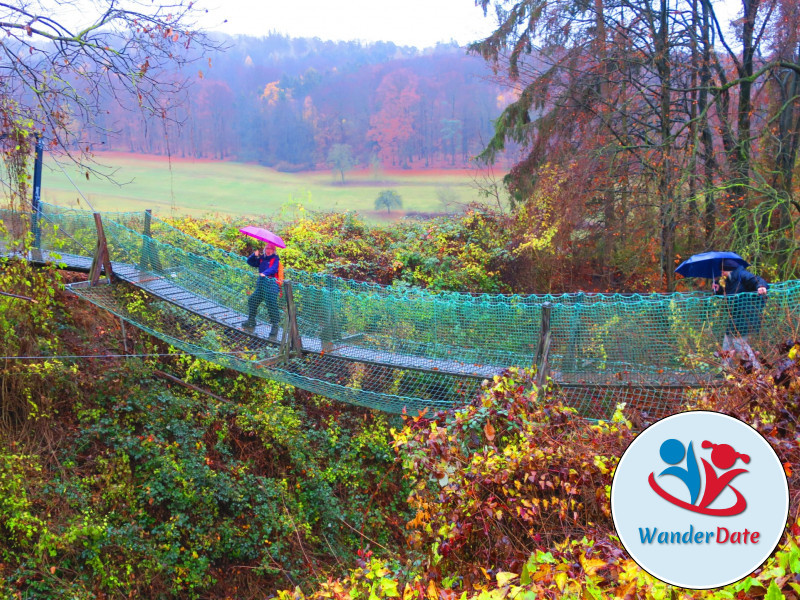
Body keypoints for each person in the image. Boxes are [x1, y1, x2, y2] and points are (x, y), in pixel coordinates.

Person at [713, 258, 768, 369]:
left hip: (747, 316)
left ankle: (757, 370)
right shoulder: (730, 280)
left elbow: (757, 279)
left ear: (728, 269)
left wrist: (761, 287)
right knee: (727, 343)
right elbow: (730, 296)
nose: (721, 273)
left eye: (722, 270)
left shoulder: (742, 274)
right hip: (735, 317)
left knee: (739, 343)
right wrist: (718, 290)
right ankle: (726, 370)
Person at [242, 242, 281, 339]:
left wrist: (265, 273)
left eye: (271, 249)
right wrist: (254, 255)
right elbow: (250, 262)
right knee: (252, 300)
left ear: (274, 250)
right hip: (261, 284)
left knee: (271, 305)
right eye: (267, 248)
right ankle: (251, 320)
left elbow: (274, 269)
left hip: (271, 284)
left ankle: (275, 326)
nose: (268, 250)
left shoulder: (275, 259)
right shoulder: (262, 258)